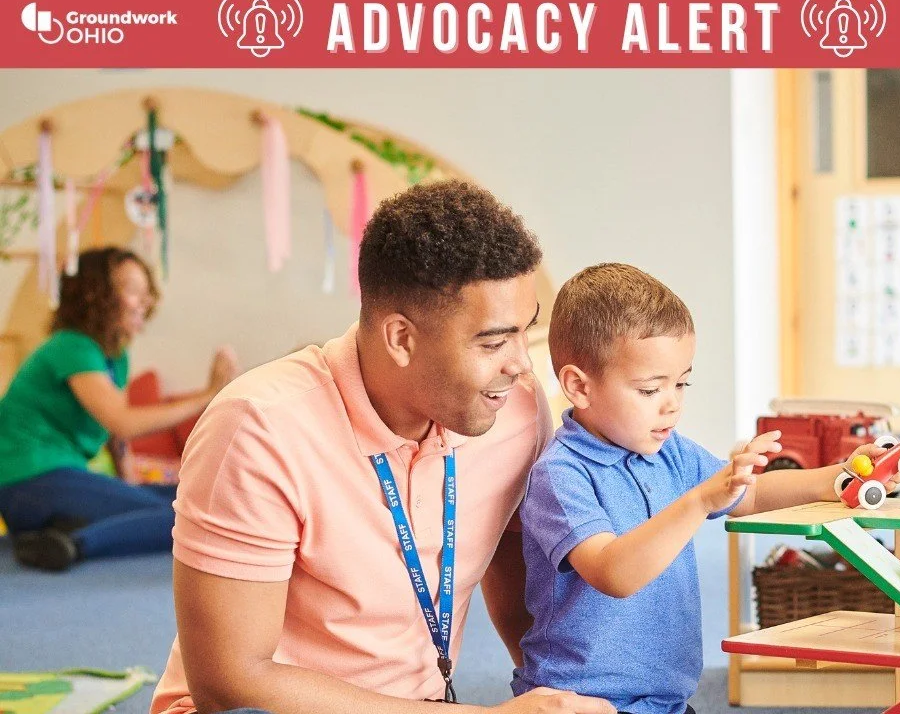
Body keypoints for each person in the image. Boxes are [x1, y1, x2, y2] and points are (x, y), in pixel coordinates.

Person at [151, 180, 615, 714]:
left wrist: (568, 695)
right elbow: (230, 684)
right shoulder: (257, 427)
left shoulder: (515, 410)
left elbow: (522, 595)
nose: (521, 364)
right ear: (401, 338)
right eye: (492, 342)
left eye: (523, 332)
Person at [512, 264, 900, 714]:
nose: (673, 403)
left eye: (681, 383)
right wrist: (699, 501)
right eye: (650, 389)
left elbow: (751, 494)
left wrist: (839, 476)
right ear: (579, 387)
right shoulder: (561, 475)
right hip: (578, 701)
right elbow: (613, 573)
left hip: (664, 700)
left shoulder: (671, 451)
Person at [0, 246, 239, 571]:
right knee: (189, 516)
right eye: (133, 291)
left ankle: (64, 529)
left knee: (189, 495)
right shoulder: (72, 345)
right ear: (94, 296)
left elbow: (115, 436)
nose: (145, 302)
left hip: (55, 480)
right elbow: (122, 421)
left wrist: (128, 486)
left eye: (147, 293)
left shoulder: (114, 356)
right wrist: (209, 395)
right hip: (29, 482)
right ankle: (74, 545)